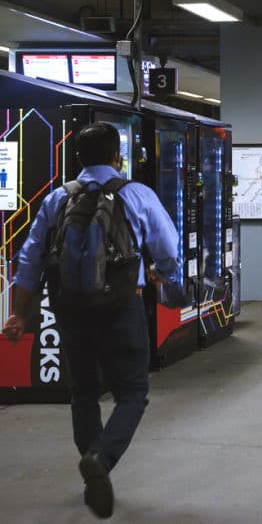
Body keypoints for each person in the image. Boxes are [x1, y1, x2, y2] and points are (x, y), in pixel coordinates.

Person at [2, 122, 181, 519]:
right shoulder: (136, 194)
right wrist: (165, 278)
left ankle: (91, 473)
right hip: (121, 305)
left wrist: (18, 313)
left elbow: (28, 260)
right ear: (118, 156)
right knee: (132, 391)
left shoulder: (57, 199)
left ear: (78, 158)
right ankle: (101, 457)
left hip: (69, 307)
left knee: (83, 391)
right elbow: (168, 249)